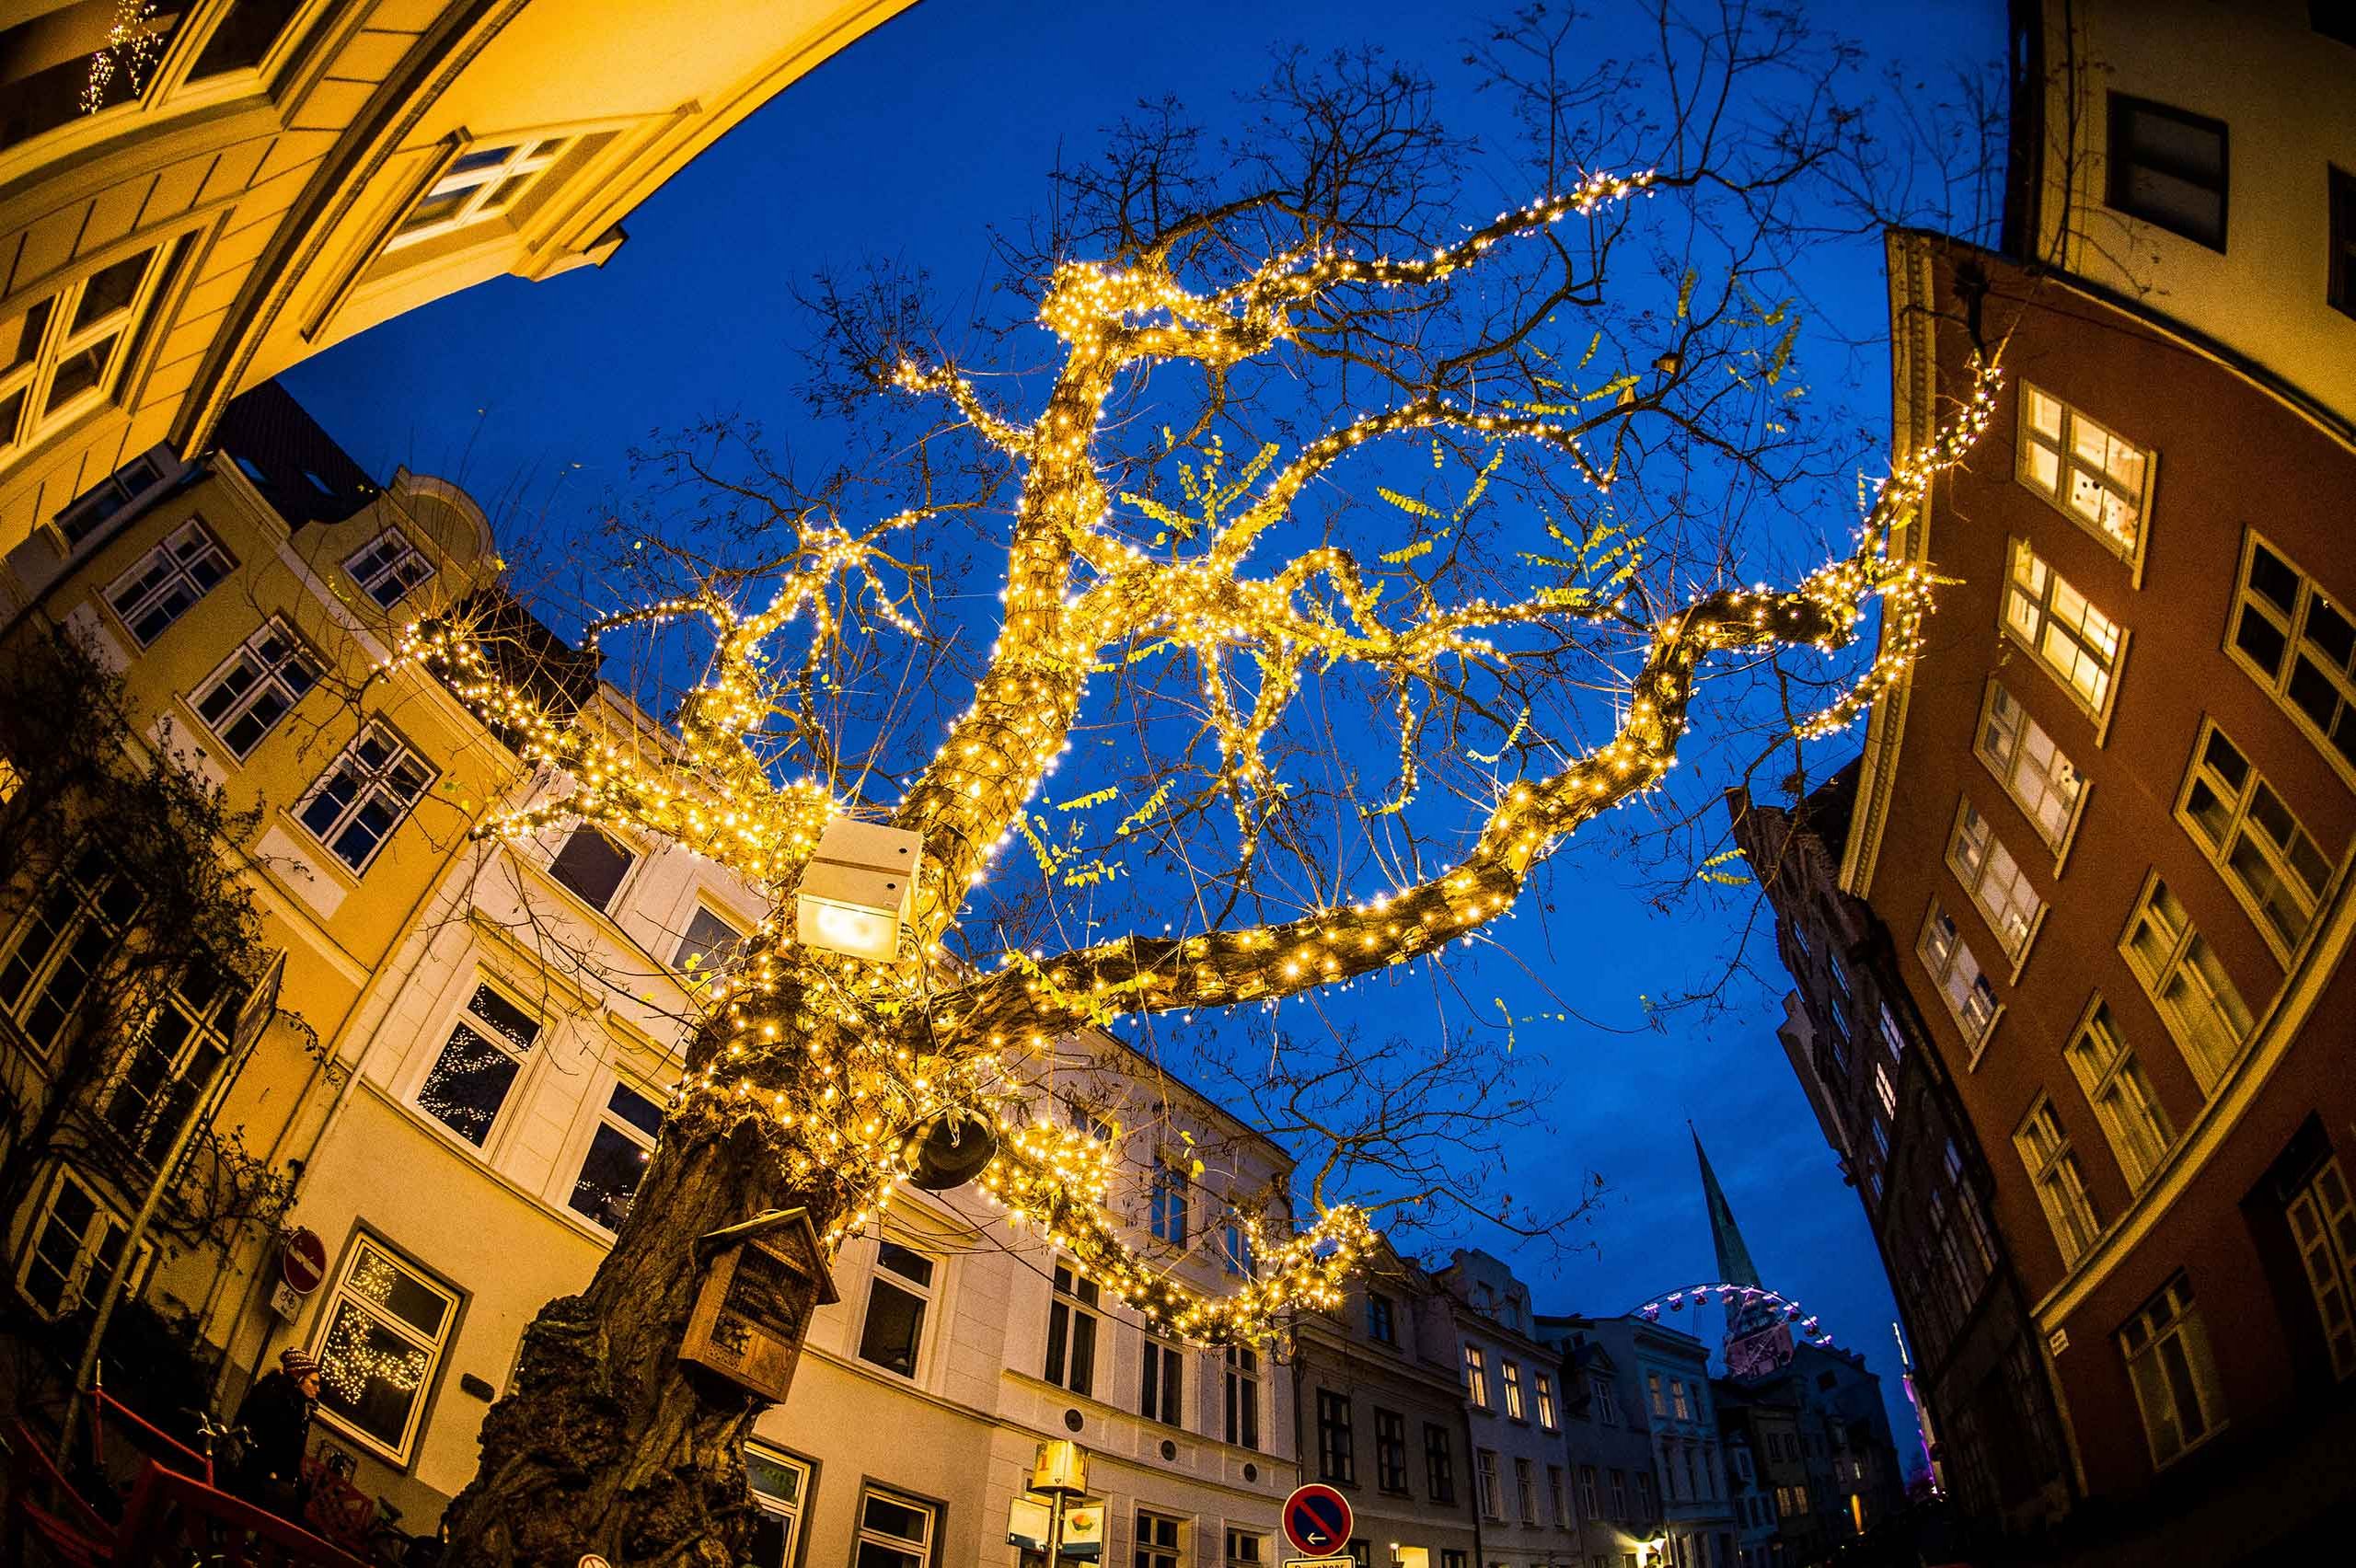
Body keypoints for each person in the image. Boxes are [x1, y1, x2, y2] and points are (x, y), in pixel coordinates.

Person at [233, 1347, 320, 1516]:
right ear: (298, 1377)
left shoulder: (299, 1404)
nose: (318, 1389)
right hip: (262, 1479)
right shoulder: (278, 1397)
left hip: (277, 1479)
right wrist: (272, 1472)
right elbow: (271, 1439)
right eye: (313, 1383)